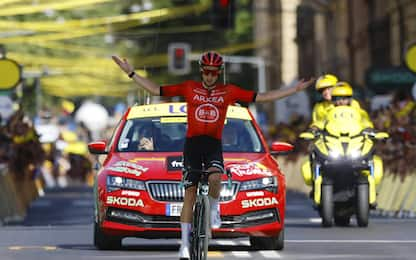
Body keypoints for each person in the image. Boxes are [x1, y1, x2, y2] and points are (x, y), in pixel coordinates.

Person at [112, 51, 314, 259]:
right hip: (192, 145)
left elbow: (263, 97)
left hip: (213, 145)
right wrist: (131, 73)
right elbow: (155, 89)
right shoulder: (189, 88)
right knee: (189, 193)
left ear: (219, 73)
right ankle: (183, 244)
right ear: (201, 72)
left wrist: (294, 90)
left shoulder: (228, 91)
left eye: (214, 73)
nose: (209, 77)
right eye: (206, 72)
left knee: (216, 177)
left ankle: (214, 209)